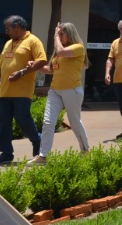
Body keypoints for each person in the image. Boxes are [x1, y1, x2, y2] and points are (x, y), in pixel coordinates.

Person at [30, 23, 90, 165]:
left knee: (74, 122)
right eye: (59, 34)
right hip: (55, 91)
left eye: (62, 34)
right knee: (48, 122)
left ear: (70, 34)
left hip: (72, 91)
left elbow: (62, 51)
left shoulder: (78, 47)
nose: (59, 37)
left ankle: (85, 150)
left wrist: (55, 36)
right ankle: (42, 156)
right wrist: (35, 66)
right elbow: (51, 69)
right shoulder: (59, 52)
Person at [0, 15, 47, 165]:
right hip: (3, 92)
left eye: (8, 28)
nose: (6, 32)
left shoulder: (33, 41)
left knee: (23, 119)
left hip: (22, 92)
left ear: (17, 27)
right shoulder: (8, 43)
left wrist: (22, 72)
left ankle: (37, 141)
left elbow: (42, 60)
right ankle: (6, 153)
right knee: (3, 123)